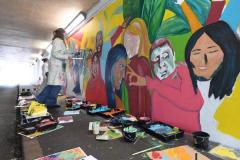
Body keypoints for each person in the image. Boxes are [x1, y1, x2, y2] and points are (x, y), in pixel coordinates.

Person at [127, 38, 203, 132]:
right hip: (161, 138)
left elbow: (194, 104)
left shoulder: (183, 73)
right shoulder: (156, 82)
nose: (161, 64)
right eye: (156, 60)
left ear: (174, 56)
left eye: (166, 56)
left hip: (185, 140)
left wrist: (151, 83)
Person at [185, 20, 240, 148]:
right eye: (196, 52)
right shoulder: (199, 84)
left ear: (229, 52)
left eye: (211, 51)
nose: (202, 60)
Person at [36, 28, 72, 107]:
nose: (66, 34)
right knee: (57, 86)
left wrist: (70, 53)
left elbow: (61, 52)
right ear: (62, 33)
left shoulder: (58, 41)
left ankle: (40, 100)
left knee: (52, 85)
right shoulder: (58, 40)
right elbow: (56, 53)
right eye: (65, 33)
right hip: (57, 67)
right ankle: (48, 102)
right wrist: (67, 56)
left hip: (57, 67)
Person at [123, 18, 151, 117]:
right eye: (126, 39)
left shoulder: (140, 63)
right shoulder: (132, 64)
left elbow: (141, 98)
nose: (128, 44)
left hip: (140, 119)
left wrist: (138, 120)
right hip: (135, 117)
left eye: (132, 39)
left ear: (142, 39)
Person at [105, 44, 128, 109]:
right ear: (111, 65)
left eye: (124, 68)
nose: (123, 76)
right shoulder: (102, 95)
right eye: (121, 66)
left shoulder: (119, 101)